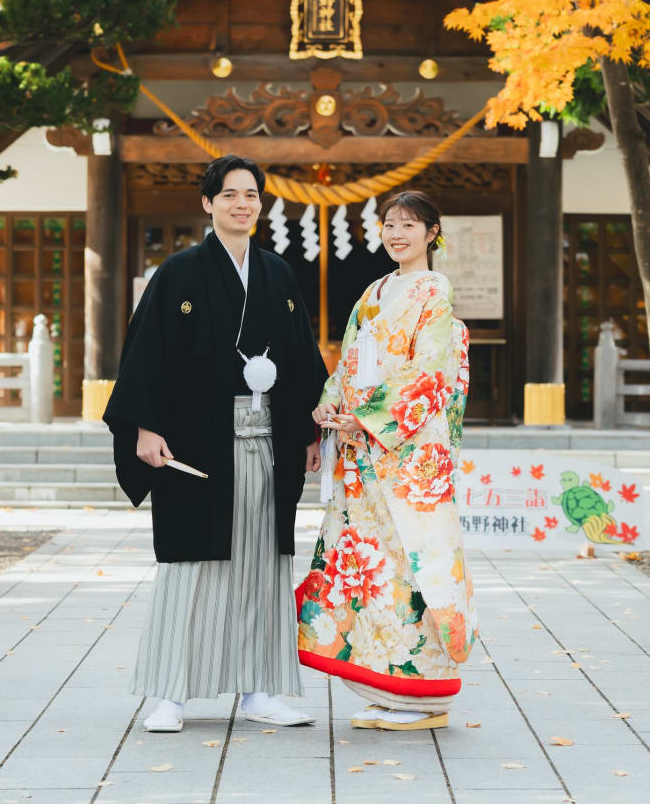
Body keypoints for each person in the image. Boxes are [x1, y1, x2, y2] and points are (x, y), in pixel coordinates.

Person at [104, 155, 328, 732]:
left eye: (251, 194)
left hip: (265, 440)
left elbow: (302, 357)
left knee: (261, 563)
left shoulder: (277, 274)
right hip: (197, 442)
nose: (242, 204)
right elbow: (145, 353)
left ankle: (258, 690)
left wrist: (308, 431)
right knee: (192, 563)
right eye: (229, 195)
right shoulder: (177, 273)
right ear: (207, 204)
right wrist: (145, 427)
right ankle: (170, 693)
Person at [298, 190, 477, 731]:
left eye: (409, 224)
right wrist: (330, 399)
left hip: (404, 456)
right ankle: (389, 685)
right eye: (389, 224)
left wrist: (369, 417)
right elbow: (350, 359)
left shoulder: (434, 290)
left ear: (432, 232)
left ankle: (425, 693)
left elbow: (430, 370)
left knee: (409, 565)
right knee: (369, 569)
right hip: (363, 456)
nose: (396, 234)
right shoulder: (373, 292)